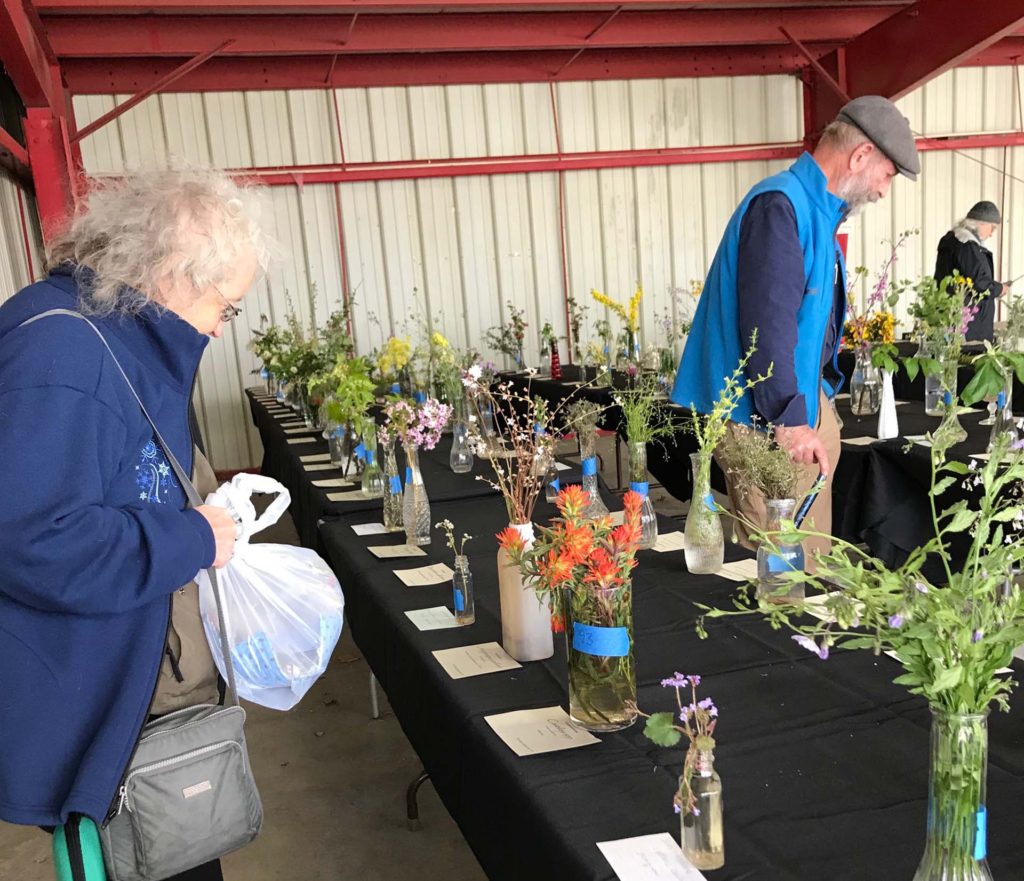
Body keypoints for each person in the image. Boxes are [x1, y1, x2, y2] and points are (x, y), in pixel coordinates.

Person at [0, 167, 274, 880]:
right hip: (102, 717)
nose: (220, 326)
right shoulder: (62, 353)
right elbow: (31, 536)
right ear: (173, 275)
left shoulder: (108, 337)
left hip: (127, 692)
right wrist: (190, 538)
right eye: (227, 305)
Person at [672, 95, 920, 560]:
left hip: (795, 407)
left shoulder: (817, 211)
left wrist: (819, 404)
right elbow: (765, 330)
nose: (884, 191)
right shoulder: (780, 207)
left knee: (811, 563)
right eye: (887, 175)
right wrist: (790, 422)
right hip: (762, 419)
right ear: (861, 155)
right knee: (779, 573)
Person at [934, 201, 1008, 342]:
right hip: (969, 328)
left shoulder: (955, 239)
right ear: (982, 223)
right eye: (992, 228)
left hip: (956, 319)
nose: (991, 234)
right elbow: (979, 283)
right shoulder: (966, 244)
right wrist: (999, 288)